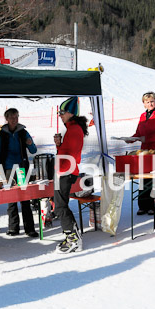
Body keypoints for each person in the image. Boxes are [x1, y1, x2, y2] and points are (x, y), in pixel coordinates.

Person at [0, 108, 39, 238]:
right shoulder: (1, 134)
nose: (15, 120)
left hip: (21, 168)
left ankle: (29, 228)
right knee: (11, 199)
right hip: (8, 169)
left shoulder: (23, 132)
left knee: (25, 198)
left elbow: (33, 149)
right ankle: (13, 228)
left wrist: (30, 144)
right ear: (6, 119)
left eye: (16, 117)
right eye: (12, 117)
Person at [123, 92, 155, 215]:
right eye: (147, 102)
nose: (150, 103)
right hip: (145, 150)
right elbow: (138, 132)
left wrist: (145, 139)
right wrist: (131, 138)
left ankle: (153, 205)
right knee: (143, 177)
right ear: (144, 104)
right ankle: (143, 205)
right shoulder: (143, 116)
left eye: (152, 101)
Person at [53, 97, 88, 253]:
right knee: (60, 205)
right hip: (64, 172)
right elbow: (65, 153)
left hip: (65, 173)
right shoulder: (72, 128)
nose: (60, 115)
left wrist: (61, 172)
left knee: (60, 207)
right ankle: (72, 237)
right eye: (59, 112)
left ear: (71, 113)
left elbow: (71, 156)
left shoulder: (74, 130)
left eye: (62, 112)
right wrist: (59, 145)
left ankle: (73, 239)